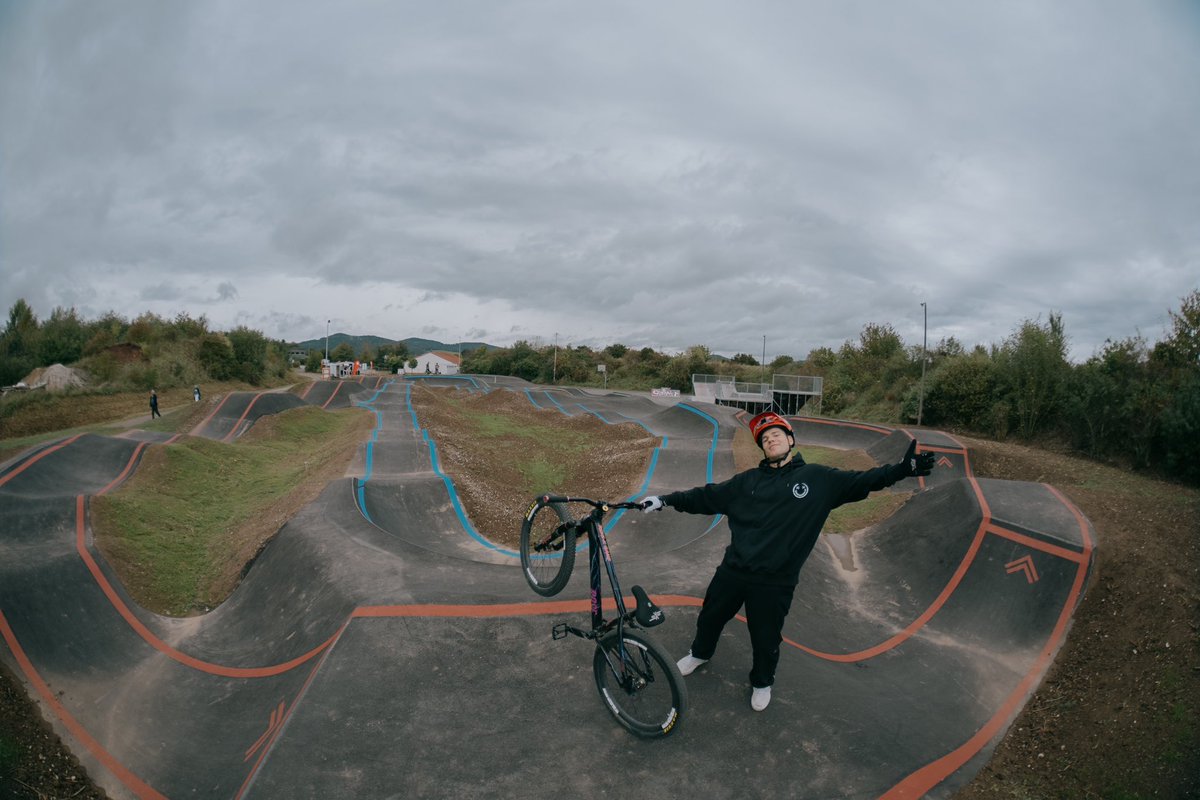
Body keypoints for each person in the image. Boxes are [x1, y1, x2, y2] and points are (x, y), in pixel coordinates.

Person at [640, 410, 934, 712]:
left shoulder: (818, 479)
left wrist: (902, 469)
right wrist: (664, 500)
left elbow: (865, 480)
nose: (771, 440)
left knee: (765, 637)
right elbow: (705, 496)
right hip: (733, 572)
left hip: (774, 581)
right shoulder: (747, 482)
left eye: (777, 435)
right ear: (762, 448)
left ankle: (762, 681)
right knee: (710, 617)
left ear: (790, 440)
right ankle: (700, 654)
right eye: (765, 439)